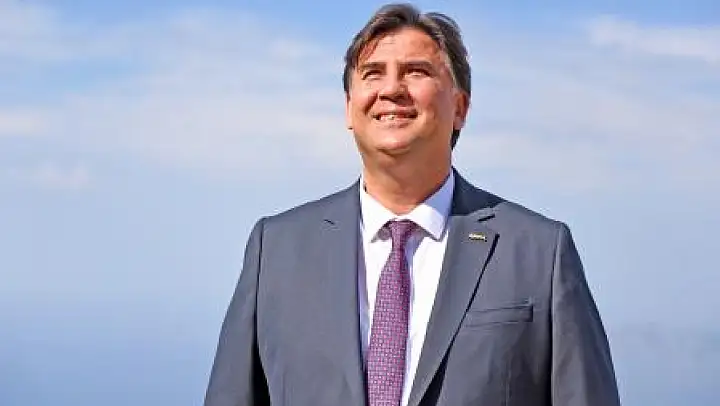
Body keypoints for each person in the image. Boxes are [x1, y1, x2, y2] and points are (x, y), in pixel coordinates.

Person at [203, 3, 621, 406]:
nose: (391, 90)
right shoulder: (276, 250)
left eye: (415, 72)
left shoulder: (539, 253)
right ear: (349, 108)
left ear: (460, 108)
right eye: (372, 74)